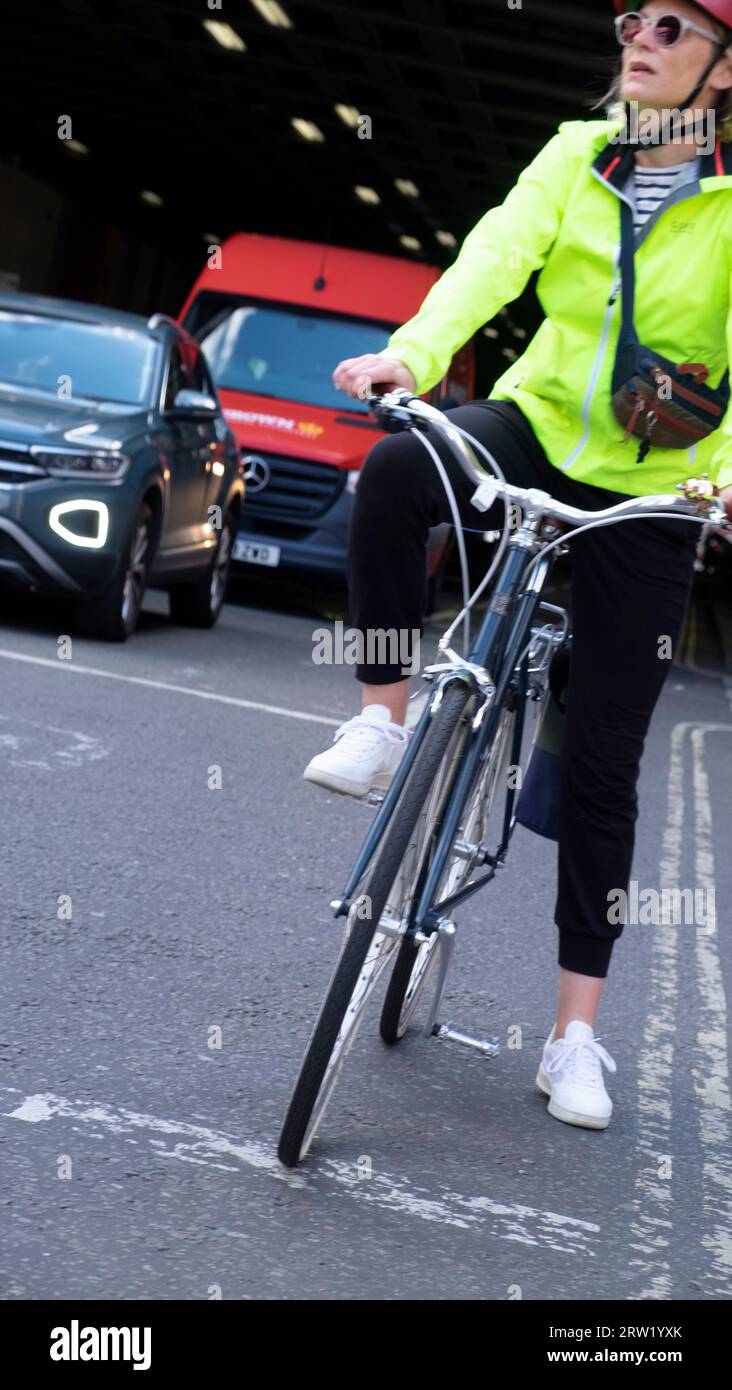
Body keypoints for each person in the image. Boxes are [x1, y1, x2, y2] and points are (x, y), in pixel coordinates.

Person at [303, 0, 732, 1130]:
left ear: (722, 74)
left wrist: (719, 481)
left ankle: (573, 1035)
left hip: (657, 484)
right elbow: (493, 253)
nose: (641, 37)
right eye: (636, 19)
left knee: (602, 765)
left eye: (677, 29)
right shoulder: (574, 154)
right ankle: (385, 716)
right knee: (396, 474)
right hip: (537, 425)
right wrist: (413, 355)